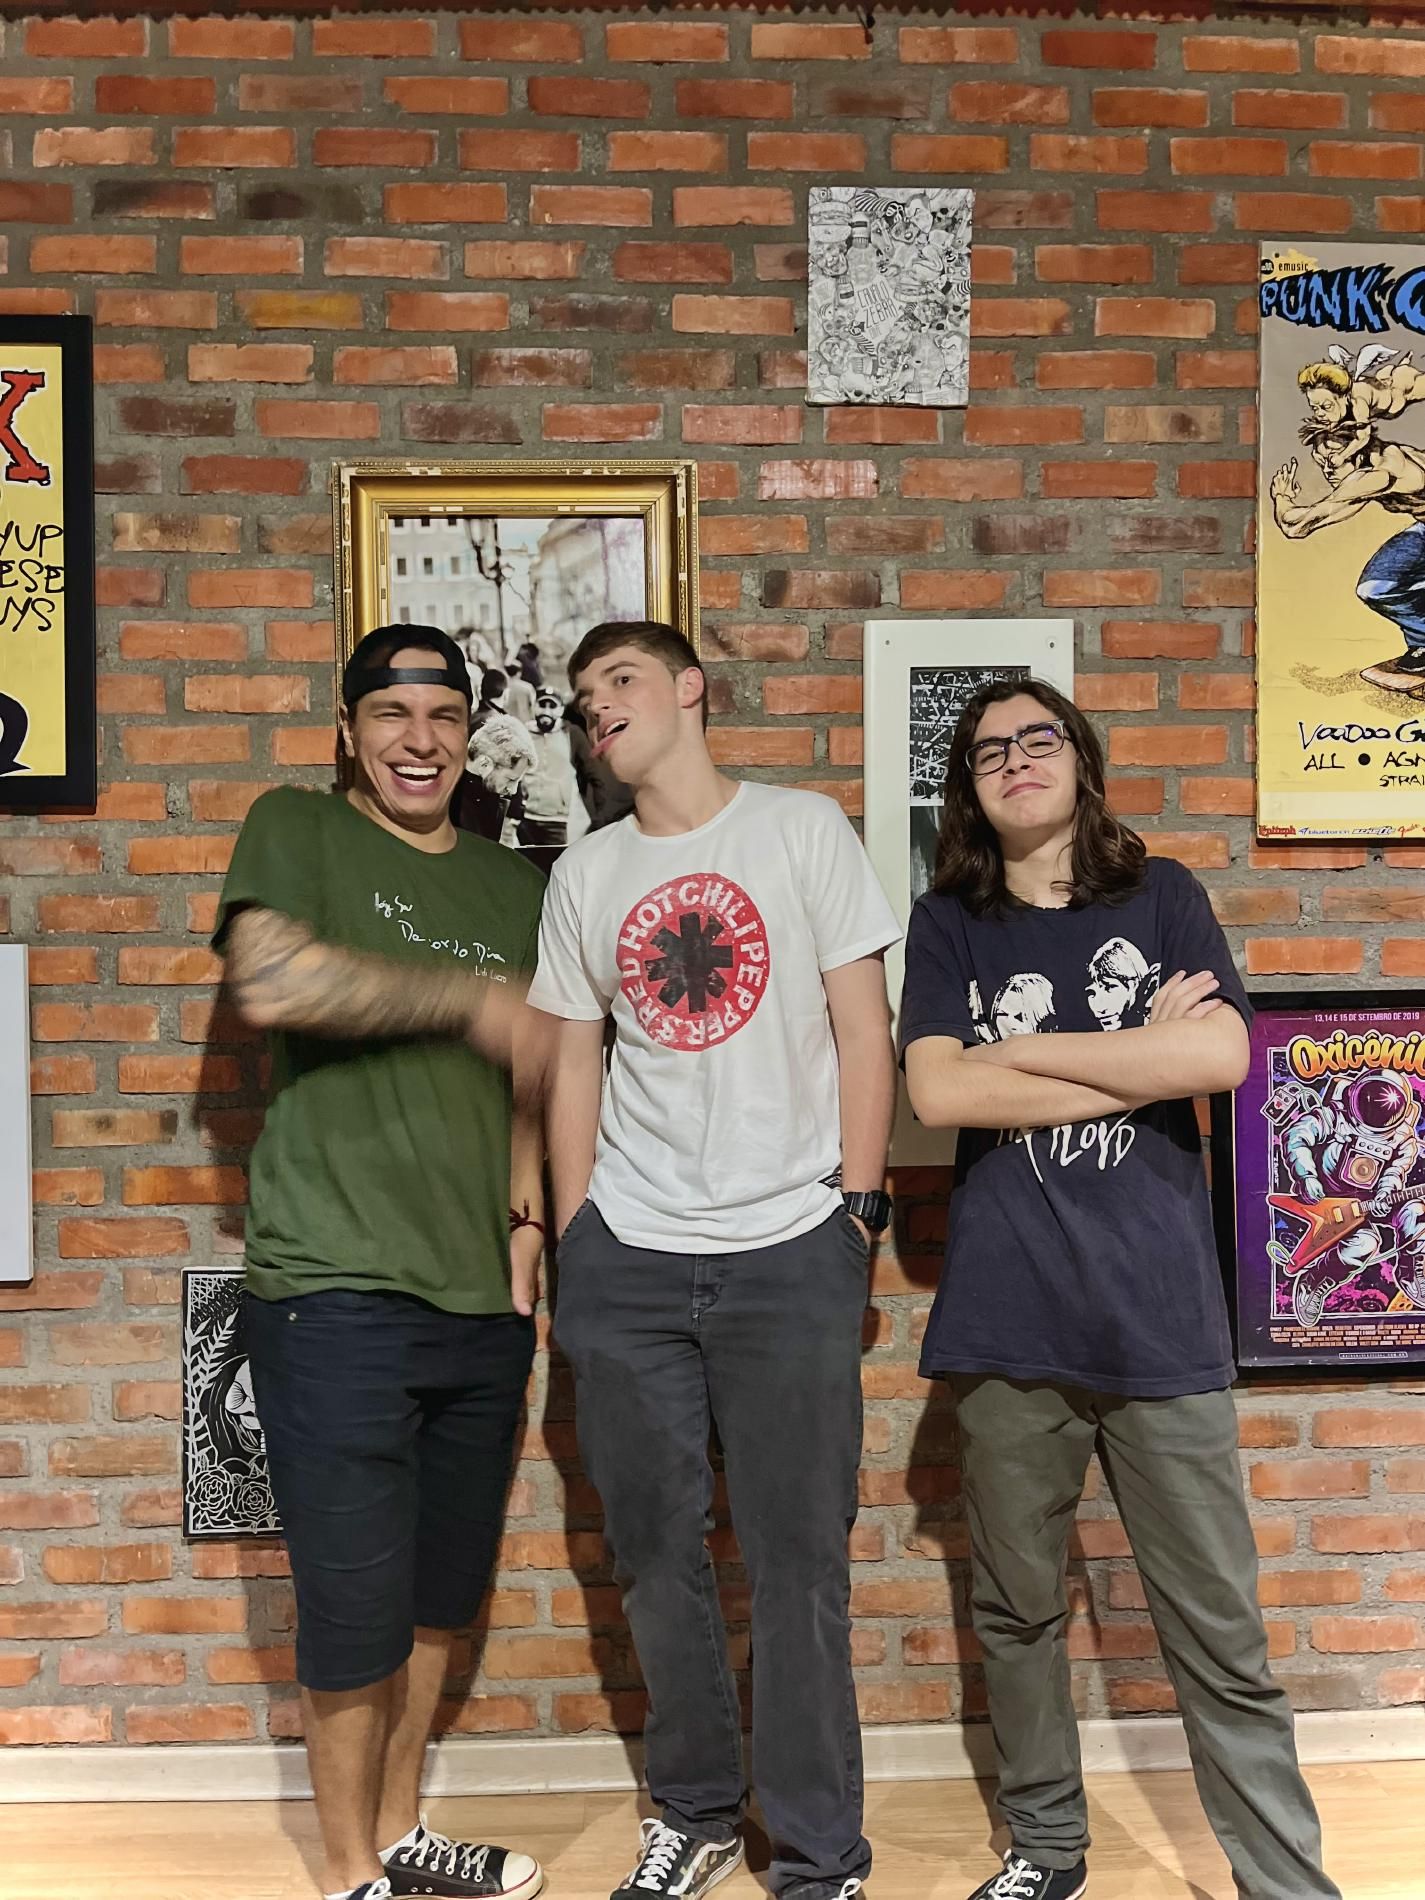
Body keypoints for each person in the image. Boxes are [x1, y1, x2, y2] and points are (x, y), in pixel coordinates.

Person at [899, 679, 1340, 1900]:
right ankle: (1045, 1848)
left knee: (1221, 1632)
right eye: (989, 749)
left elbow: (1222, 1054)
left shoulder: (1164, 895)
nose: (1015, 758)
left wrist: (1016, 1052)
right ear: (969, 787)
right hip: (1006, 1319)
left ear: (1082, 761)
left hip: (1160, 1318)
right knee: (1018, 1612)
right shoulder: (949, 922)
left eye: (1038, 737)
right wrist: (1137, 1056)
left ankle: (1284, 1881)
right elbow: (938, 1092)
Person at [528, 621, 900, 1900]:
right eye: (584, 698)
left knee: (801, 1560)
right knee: (652, 1550)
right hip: (629, 1254)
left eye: (621, 681)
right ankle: (691, 1813)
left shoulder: (802, 831)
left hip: (791, 1245)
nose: (599, 708)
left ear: (692, 690)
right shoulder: (588, 873)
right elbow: (571, 1058)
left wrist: (859, 1208)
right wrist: (576, 1233)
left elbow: (865, 1028)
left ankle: (817, 1851)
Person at [215, 624, 547, 1900]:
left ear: (471, 733)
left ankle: (403, 1833)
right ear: (348, 731)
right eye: (394, 714)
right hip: (333, 1286)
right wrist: (462, 1001)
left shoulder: (513, 885)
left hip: (479, 1295)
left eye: (445, 716)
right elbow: (270, 978)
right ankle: (351, 1870)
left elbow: (535, 1071)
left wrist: (526, 1219)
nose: (422, 739)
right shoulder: (295, 825)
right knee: (353, 1607)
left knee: (437, 1597)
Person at [517, 688, 577, 859]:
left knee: (553, 867)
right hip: (526, 818)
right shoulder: (523, 734)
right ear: (534, 706)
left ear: (561, 710)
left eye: (552, 706)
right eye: (542, 705)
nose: (546, 711)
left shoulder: (571, 735)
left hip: (557, 820)